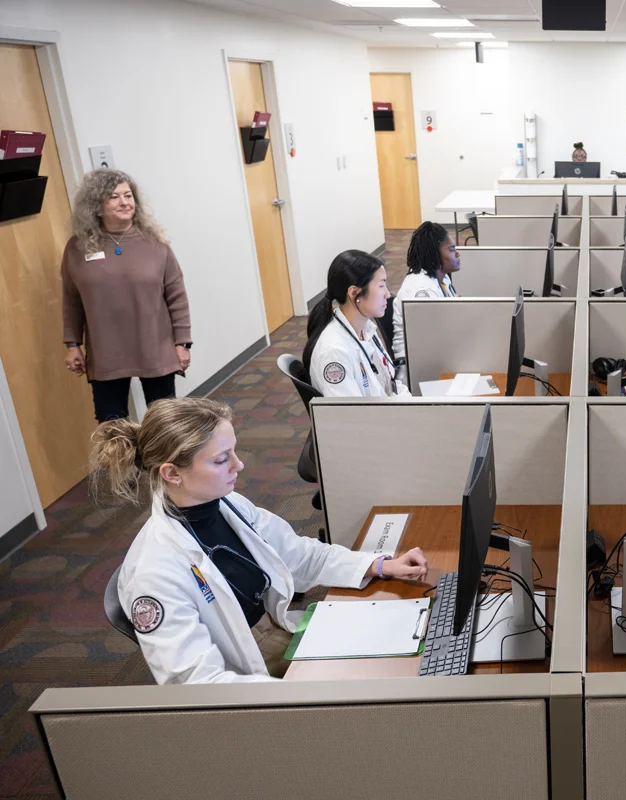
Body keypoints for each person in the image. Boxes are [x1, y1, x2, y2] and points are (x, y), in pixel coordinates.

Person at [93, 398, 430, 683]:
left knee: (403, 639)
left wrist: (378, 564)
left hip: (277, 630)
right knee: (385, 679)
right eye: (221, 459)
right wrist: (297, 695)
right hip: (245, 674)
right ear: (171, 473)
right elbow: (199, 682)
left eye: (234, 452)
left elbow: (298, 555)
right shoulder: (154, 572)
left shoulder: (227, 504)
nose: (239, 465)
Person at [61, 169, 192, 422]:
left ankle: (159, 452)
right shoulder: (77, 248)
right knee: (111, 424)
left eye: (128, 195)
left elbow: (177, 297)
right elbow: (71, 299)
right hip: (105, 350)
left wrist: (182, 343)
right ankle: (121, 452)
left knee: (164, 422)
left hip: (155, 345)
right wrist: (72, 344)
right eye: (114, 197)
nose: (124, 202)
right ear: (96, 206)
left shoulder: (155, 244)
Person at [304, 249, 410, 398]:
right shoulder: (335, 351)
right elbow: (352, 411)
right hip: (379, 413)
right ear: (354, 293)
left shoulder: (365, 328)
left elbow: (391, 382)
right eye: (381, 286)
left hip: (391, 407)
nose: (387, 294)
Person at [391, 222, 460, 383]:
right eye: (451, 250)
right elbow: (429, 344)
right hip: (418, 372)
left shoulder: (441, 277)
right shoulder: (421, 291)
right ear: (435, 254)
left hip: (437, 358)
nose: (457, 253)